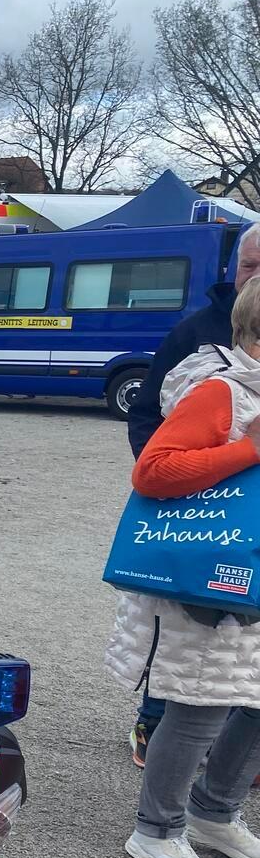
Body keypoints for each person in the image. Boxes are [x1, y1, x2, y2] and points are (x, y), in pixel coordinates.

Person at [106, 277, 260, 858]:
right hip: (211, 584)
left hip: (248, 578)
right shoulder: (223, 391)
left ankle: (214, 811)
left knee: (253, 702)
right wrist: (249, 450)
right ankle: (157, 829)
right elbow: (154, 470)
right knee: (200, 704)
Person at [124, 224, 260, 764]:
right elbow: (149, 425)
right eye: (251, 264)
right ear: (234, 267)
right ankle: (154, 725)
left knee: (233, 665)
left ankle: (220, 777)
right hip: (202, 517)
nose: (257, 275)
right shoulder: (197, 333)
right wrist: (179, 490)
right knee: (187, 646)